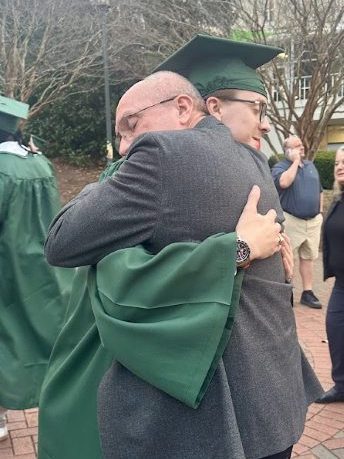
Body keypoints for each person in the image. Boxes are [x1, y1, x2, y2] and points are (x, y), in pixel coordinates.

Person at [45, 35, 322, 459]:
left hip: (209, 420)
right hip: (274, 403)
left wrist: (107, 177)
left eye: (131, 127)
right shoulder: (254, 162)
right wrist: (241, 250)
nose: (125, 147)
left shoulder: (161, 156)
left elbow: (61, 243)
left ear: (182, 107)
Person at [0, 95, 72, 441]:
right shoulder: (39, 163)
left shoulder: (1, 170)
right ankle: (54, 406)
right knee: (40, 335)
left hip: (6, 266)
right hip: (43, 266)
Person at [272, 135, 323, 308]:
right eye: (296, 145)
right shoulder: (280, 167)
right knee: (286, 257)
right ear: (287, 150)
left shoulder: (310, 165)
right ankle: (287, 291)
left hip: (313, 221)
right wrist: (295, 162)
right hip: (292, 220)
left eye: (301, 144)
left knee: (308, 257)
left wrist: (320, 212)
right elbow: (284, 183)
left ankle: (307, 292)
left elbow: (320, 190)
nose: (301, 147)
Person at [315, 146, 344, 403]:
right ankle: (341, 385)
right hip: (341, 285)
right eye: (337, 162)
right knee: (335, 330)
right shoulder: (338, 198)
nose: (339, 166)